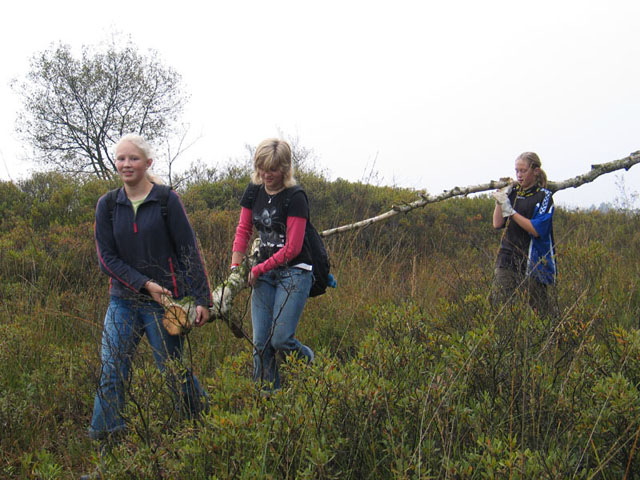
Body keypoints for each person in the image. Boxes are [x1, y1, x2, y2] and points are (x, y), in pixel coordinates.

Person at [89, 134, 212, 443]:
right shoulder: (107, 205)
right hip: (123, 301)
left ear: (147, 163)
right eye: (120, 158)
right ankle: (108, 446)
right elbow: (107, 259)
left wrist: (202, 299)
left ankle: (200, 427)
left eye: (132, 158)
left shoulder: (166, 200)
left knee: (172, 371)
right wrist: (145, 284)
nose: (126, 164)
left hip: (165, 304)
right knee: (112, 371)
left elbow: (188, 251)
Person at [231, 138, 315, 390]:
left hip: (295, 272)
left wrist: (258, 268)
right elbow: (244, 229)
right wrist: (236, 267)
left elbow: (293, 248)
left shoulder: (295, 197)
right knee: (261, 342)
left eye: (273, 169)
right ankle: (268, 399)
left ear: (285, 169)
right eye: (261, 168)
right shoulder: (254, 190)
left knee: (280, 339)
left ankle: (307, 360)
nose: (266, 175)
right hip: (265, 272)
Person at [491, 152, 557, 316]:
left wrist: (511, 212)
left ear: (535, 171)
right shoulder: (513, 193)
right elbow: (497, 223)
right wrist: (501, 200)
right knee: (497, 308)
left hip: (532, 262)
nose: (519, 175)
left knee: (541, 313)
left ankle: (553, 339)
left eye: (523, 171)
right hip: (507, 258)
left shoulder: (544, 197)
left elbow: (537, 229)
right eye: (517, 171)